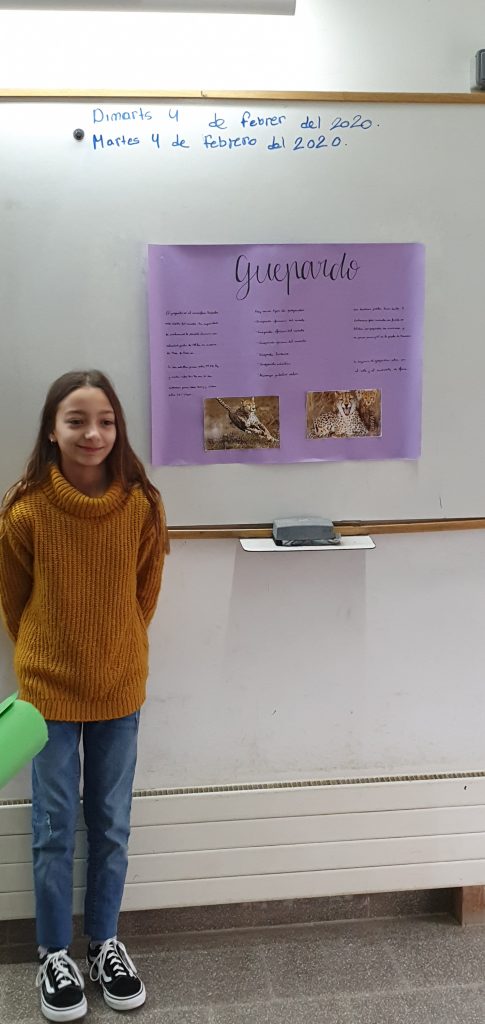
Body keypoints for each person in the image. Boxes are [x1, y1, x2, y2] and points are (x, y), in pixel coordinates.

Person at [0, 370, 169, 1021]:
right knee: (51, 828)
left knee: (110, 824)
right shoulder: (25, 510)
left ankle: (103, 945)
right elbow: (14, 602)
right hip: (46, 697)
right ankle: (53, 953)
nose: (92, 433)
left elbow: (144, 594)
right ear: (52, 429)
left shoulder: (141, 506)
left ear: (117, 428)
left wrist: (111, 650)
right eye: (76, 420)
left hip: (119, 691)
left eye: (105, 421)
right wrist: (52, 658)